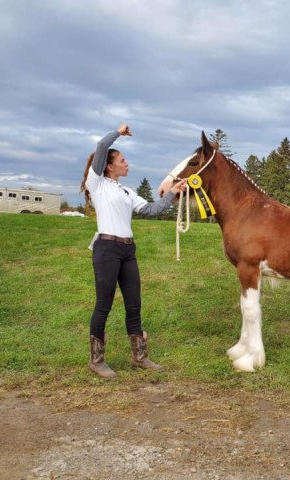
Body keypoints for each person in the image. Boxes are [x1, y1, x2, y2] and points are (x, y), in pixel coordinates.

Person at [80, 123, 186, 378]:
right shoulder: (97, 184)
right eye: (123, 160)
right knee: (103, 305)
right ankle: (96, 361)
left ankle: (139, 357)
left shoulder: (127, 191)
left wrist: (173, 193)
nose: (127, 164)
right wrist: (118, 132)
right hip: (106, 248)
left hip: (127, 250)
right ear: (109, 165)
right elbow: (101, 146)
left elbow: (152, 210)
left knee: (134, 304)